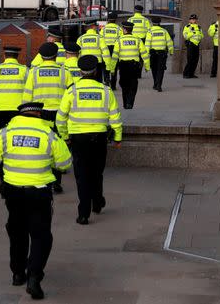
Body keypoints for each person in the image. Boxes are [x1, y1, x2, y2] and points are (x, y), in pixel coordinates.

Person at [0, 101, 73, 300]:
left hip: (13, 193)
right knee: (41, 235)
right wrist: (50, 161)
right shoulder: (48, 135)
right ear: (39, 115)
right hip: (39, 194)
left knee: (17, 231)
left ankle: (18, 273)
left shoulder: (5, 134)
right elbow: (65, 163)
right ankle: (34, 277)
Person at [56, 56, 122, 225]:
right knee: (97, 172)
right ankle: (98, 202)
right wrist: (118, 137)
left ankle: (83, 213)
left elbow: (61, 118)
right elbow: (115, 117)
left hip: (78, 139)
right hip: (99, 138)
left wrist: (64, 137)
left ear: (79, 72)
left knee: (82, 176)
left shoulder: (72, 91)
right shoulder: (105, 91)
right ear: (95, 71)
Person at [23, 42, 73, 193]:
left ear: (41, 56)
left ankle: (41, 180)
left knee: (40, 146)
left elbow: (27, 96)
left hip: (39, 114)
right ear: (57, 55)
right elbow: (72, 94)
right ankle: (56, 182)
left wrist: (25, 115)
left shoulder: (34, 72)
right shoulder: (64, 72)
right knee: (56, 147)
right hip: (59, 114)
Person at [0, 46, 28, 134]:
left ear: (4, 56)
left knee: (1, 135)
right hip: (19, 110)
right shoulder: (25, 71)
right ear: (17, 56)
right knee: (16, 135)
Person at [110, 21, 150, 109]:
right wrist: (147, 66)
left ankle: (125, 103)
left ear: (124, 30)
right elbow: (144, 54)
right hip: (134, 66)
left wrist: (112, 69)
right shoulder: (138, 39)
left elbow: (115, 56)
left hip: (123, 66)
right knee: (133, 84)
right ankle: (130, 103)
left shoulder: (119, 40)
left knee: (124, 85)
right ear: (132, 29)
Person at [145, 16, 173, 92]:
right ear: (159, 23)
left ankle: (155, 83)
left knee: (154, 69)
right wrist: (171, 51)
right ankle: (159, 85)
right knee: (161, 70)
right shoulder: (164, 31)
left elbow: (147, 43)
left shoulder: (150, 31)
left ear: (152, 23)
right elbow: (169, 42)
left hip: (153, 53)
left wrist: (146, 54)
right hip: (162, 53)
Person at [101, 12, 121, 89]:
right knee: (114, 66)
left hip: (105, 49)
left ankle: (106, 79)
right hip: (114, 49)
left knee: (105, 65)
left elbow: (101, 38)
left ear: (108, 19)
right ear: (116, 20)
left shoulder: (104, 29)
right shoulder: (118, 29)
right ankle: (113, 85)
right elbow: (120, 40)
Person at [182, 14, 203, 78]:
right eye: (192, 19)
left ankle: (191, 74)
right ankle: (186, 74)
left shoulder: (199, 27)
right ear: (190, 20)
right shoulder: (187, 27)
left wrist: (199, 37)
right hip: (191, 44)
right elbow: (185, 36)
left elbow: (201, 35)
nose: (194, 20)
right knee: (190, 60)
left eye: (195, 19)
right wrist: (192, 33)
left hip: (197, 44)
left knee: (195, 60)